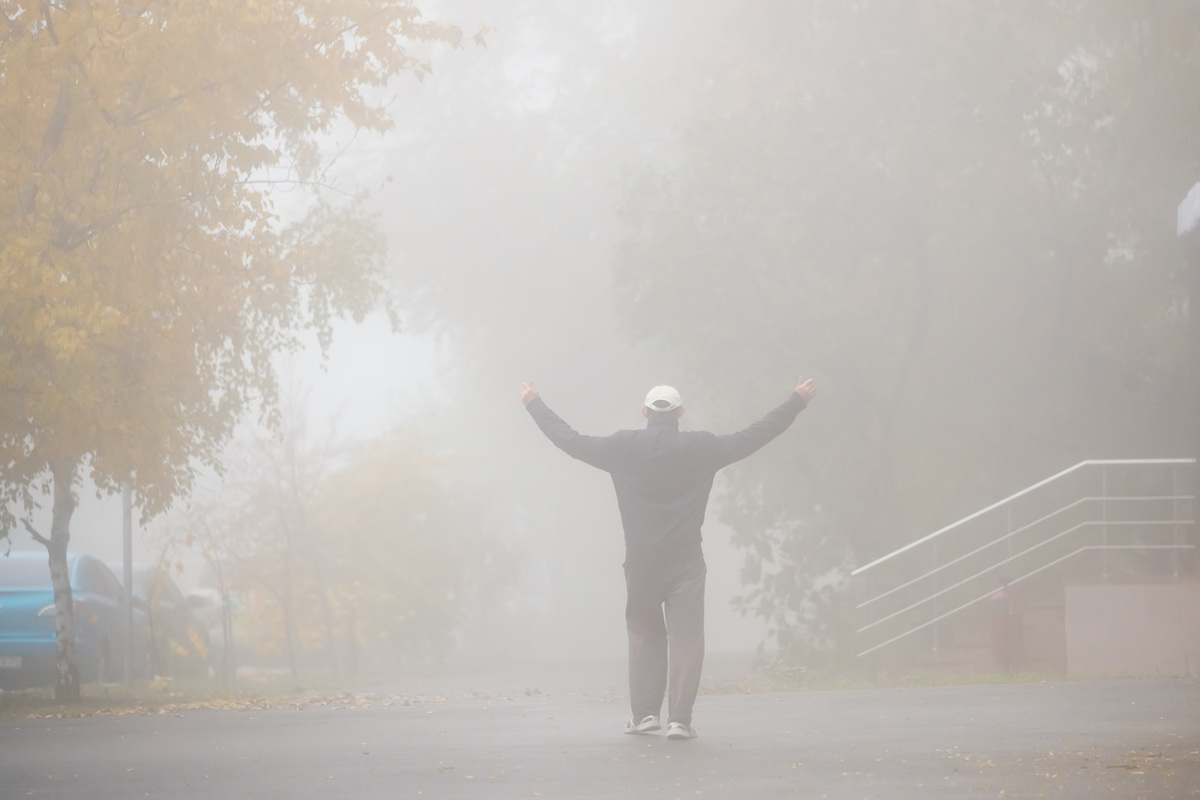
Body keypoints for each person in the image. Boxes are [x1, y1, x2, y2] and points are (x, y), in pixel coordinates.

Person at [520, 377, 816, 740]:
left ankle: (645, 716)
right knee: (687, 639)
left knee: (644, 634)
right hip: (686, 560)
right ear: (680, 413)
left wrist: (535, 404)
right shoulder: (702, 447)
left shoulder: (622, 447)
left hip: (642, 562)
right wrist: (796, 401)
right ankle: (679, 720)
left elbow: (571, 441)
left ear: (645, 413)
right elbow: (755, 435)